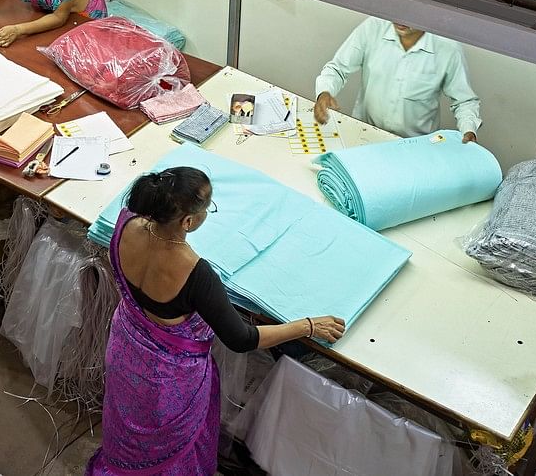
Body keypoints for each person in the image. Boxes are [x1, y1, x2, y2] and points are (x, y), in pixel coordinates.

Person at [88, 167, 346, 475]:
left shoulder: (126, 223)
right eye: (207, 208)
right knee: (169, 450)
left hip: (126, 352)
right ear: (188, 221)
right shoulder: (194, 272)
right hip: (166, 380)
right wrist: (308, 326)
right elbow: (241, 338)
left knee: (129, 429)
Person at [314, 17, 482, 141]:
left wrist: (468, 130)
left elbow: (464, 101)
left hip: (416, 146)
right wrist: (324, 92)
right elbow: (337, 69)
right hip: (365, 135)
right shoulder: (373, 27)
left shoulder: (447, 48)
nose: (401, 18)